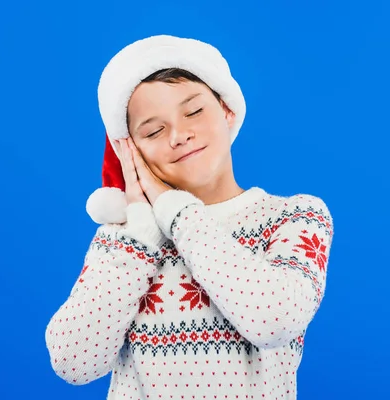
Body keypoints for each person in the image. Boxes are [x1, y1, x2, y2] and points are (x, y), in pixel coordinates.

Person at [45, 34, 333, 400]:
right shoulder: (123, 240)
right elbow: (73, 362)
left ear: (226, 110)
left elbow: (273, 319)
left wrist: (175, 210)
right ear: (131, 152)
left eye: (194, 111)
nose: (180, 135)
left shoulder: (294, 216)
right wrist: (142, 229)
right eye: (153, 130)